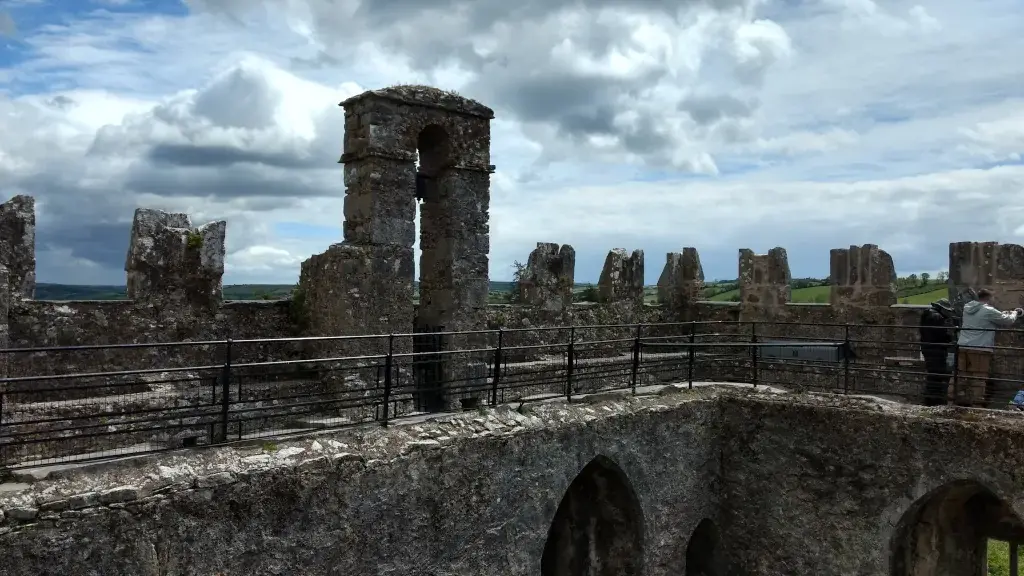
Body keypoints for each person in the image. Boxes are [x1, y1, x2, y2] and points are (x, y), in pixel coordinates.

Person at [951, 289, 1023, 407]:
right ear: (989, 298)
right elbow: (1007, 320)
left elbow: (989, 316)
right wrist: (1015, 312)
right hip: (980, 348)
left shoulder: (967, 308)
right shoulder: (988, 310)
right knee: (979, 378)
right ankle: (977, 406)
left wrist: (1003, 313)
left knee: (959, 375)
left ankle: (951, 401)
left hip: (963, 346)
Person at [919, 299, 955, 406]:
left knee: (932, 373)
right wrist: (949, 336)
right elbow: (941, 334)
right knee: (937, 374)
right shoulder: (937, 317)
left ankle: (930, 399)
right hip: (936, 348)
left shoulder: (926, 315)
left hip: (927, 347)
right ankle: (934, 400)